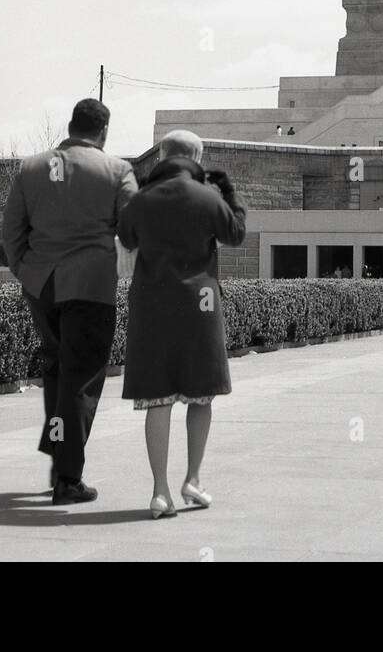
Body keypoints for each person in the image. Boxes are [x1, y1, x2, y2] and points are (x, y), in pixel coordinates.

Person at [2, 97, 137, 505]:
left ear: (70, 125)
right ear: (104, 131)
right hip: (91, 287)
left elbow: (11, 231)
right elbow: (132, 230)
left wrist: (25, 271)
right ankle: (67, 477)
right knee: (80, 379)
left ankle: (59, 457)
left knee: (58, 370)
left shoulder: (30, 168)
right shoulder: (117, 171)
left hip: (41, 284)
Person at [118, 129, 247, 519]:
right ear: (196, 156)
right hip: (200, 307)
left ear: (162, 155)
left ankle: (159, 492)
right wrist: (229, 195)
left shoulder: (142, 199)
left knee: (159, 397)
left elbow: (126, 238)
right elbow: (236, 234)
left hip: (152, 307)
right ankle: (193, 478)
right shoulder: (206, 197)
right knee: (200, 394)